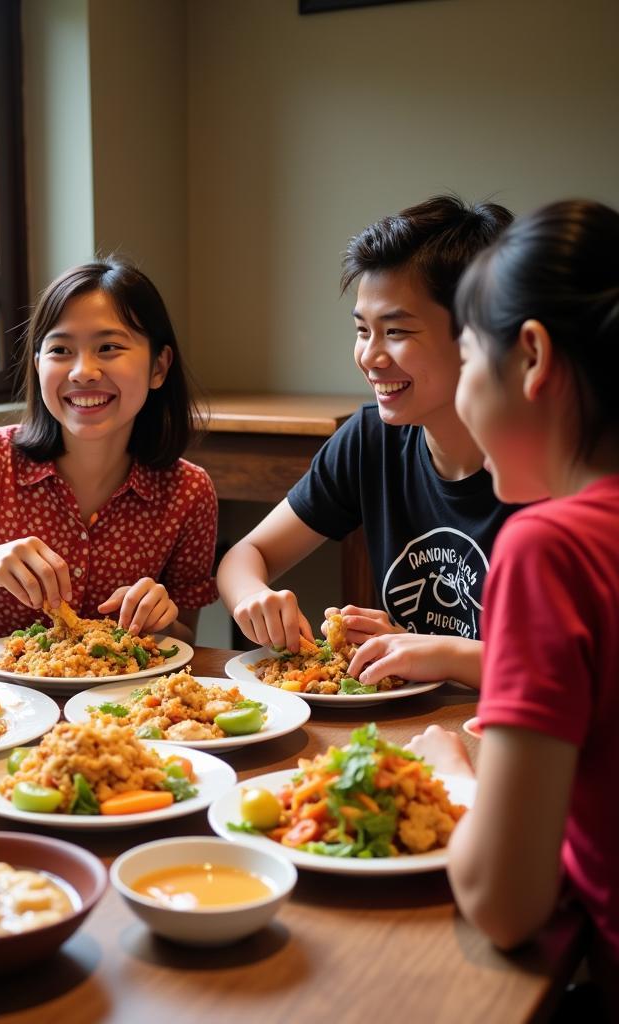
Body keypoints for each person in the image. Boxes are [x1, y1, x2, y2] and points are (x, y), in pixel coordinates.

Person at [406, 199, 619, 1013]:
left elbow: (503, 903)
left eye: (466, 361)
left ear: (531, 356)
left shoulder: (550, 547)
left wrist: (447, 773)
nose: (460, 400)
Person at [217, 195, 517, 689]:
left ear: (477, 335)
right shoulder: (371, 440)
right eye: (362, 331)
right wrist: (254, 596)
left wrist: (445, 653)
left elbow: (581, 670)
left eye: (396, 331)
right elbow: (246, 555)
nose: (370, 357)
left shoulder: (549, 463)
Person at [0, 258, 218, 659]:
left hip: (114, 708)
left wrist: (162, 620)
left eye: (108, 347)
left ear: (159, 366)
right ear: (37, 363)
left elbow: (185, 637)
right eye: (60, 350)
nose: (83, 372)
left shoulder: (188, 491)